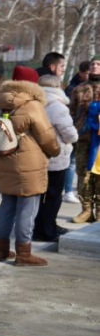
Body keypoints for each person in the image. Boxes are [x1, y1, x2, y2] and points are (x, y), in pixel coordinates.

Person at [0, 65, 59, 266]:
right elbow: (45, 135)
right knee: (27, 208)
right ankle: (24, 253)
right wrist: (55, 150)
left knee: (7, 205)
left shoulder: (3, 103)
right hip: (28, 162)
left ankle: (0, 250)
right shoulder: (32, 104)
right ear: (31, 83)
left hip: (5, 159)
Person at [32, 74, 78, 242]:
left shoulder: (33, 103)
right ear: (58, 86)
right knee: (53, 196)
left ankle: (41, 226)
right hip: (55, 156)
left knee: (38, 196)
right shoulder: (58, 106)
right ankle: (47, 230)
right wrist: (72, 139)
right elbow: (69, 133)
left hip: (36, 155)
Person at [68, 55, 100, 223]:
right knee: (83, 174)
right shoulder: (79, 89)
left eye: (98, 64)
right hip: (84, 139)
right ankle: (86, 210)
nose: (94, 66)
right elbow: (71, 112)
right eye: (93, 63)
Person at [63, 61, 90, 205]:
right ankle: (68, 191)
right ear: (81, 73)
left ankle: (82, 190)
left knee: (85, 163)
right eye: (86, 72)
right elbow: (69, 111)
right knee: (72, 161)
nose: (89, 75)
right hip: (76, 130)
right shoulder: (72, 89)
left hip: (90, 131)